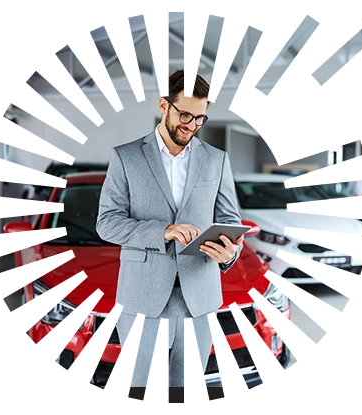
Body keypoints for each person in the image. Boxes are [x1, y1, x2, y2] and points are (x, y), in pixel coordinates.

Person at [96, 69, 243, 389]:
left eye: (200, 118)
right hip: (142, 295)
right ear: (164, 105)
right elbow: (107, 223)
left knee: (187, 390)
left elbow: (231, 219)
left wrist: (231, 253)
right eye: (185, 114)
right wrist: (163, 231)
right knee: (138, 387)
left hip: (199, 295)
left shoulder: (217, 160)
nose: (191, 124)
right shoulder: (126, 157)